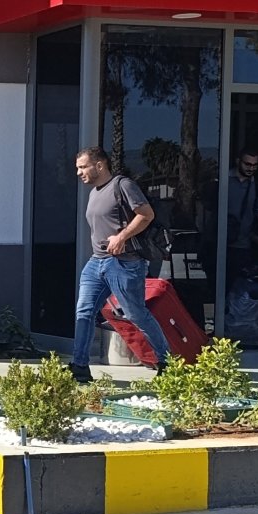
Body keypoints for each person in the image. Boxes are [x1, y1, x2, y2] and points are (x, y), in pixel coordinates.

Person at [69, 148, 171, 381]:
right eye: (78, 167)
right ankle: (80, 366)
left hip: (125, 264)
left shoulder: (122, 185)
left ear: (100, 165)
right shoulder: (95, 192)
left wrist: (122, 236)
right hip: (97, 262)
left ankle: (167, 362)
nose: (79, 172)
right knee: (84, 312)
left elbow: (146, 214)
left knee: (136, 313)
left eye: (83, 167)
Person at [228, 148, 258, 285]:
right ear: (238, 162)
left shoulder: (257, 185)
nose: (251, 168)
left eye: (255, 165)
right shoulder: (224, 180)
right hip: (219, 242)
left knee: (239, 286)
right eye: (247, 164)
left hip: (243, 244)